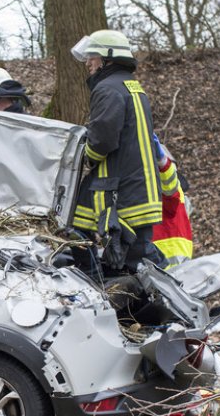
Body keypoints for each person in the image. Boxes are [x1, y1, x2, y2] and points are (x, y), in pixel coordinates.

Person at [69, 30, 166, 276]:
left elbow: (102, 140)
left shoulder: (107, 89)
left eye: (93, 56)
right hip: (138, 190)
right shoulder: (130, 86)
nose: (88, 62)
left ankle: (97, 291)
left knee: (77, 233)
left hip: (121, 192)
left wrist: (82, 158)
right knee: (134, 260)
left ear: (107, 59)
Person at [151, 134, 193, 268]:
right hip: (171, 263)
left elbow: (169, 186)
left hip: (167, 263)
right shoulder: (177, 194)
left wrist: (162, 164)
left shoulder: (170, 191)